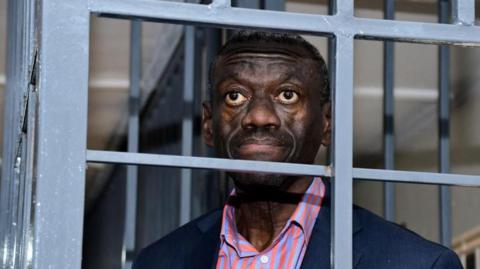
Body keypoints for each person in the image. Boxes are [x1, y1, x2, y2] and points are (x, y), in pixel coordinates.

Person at [133, 31, 462, 269]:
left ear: (327, 124)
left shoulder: (417, 264)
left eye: (287, 95)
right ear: (209, 124)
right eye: (235, 96)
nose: (259, 116)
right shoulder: (159, 261)